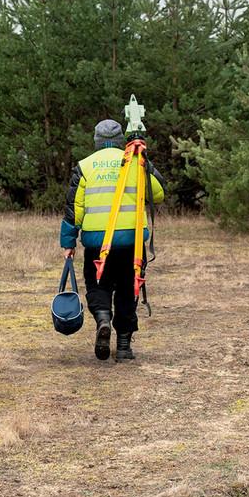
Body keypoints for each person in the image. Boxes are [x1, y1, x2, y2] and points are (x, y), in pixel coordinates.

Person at [60, 119, 165, 362]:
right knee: (129, 289)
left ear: (96, 141)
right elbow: (158, 194)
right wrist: (144, 161)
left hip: (97, 243)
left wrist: (68, 242)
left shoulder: (85, 166)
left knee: (98, 285)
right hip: (132, 240)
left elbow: (73, 209)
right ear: (122, 140)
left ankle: (103, 319)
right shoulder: (136, 162)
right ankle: (125, 347)